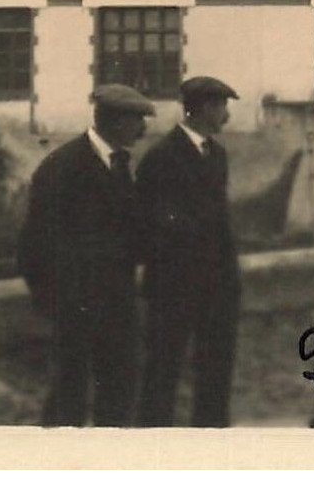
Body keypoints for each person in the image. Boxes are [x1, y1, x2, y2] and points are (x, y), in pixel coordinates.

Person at [18, 84, 152, 427]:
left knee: (119, 392)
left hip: (117, 304)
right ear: (116, 121)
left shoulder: (119, 164)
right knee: (68, 398)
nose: (144, 129)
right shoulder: (63, 167)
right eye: (138, 120)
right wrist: (52, 301)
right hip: (75, 305)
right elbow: (34, 244)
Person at [138, 76, 243, 427]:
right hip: (174, 286)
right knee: (163, 369)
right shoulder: (161, 158)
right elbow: (156, 226)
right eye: (223, 106)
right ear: (205, 109)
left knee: (215, 370)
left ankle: (211, 442)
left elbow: (220, 222)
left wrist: (230, 278)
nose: (226, 114)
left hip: (215, 287)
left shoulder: (217, 155)